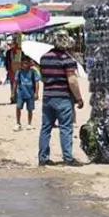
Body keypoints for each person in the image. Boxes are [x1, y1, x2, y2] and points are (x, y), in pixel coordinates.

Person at [38, 31, 84, 167]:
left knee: (46, 128)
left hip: (47, 97)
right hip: (62, 97)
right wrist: (79, 98)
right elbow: (72, 80)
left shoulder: (44, 58)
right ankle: (68, 158)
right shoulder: (67, 59)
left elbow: (43, 77)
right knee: (65, 128)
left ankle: (43, 158)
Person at [12, 56, 40, 131]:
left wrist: (36, 93)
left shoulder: (33, 72)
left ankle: (29, 124)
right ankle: (18, 123)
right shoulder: (19, 72)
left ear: (29, 64)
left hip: (30, 93)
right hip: (21, 93)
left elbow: (37, 82)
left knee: (30, 109)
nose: (24, 65)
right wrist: (13, 93)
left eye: (26, 63)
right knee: (18, 107)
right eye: (23, 63)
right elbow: (16, 82)